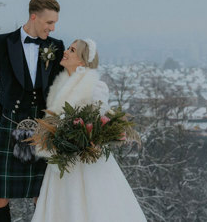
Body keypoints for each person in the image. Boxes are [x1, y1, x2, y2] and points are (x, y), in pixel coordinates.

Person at [31, 39, 147, 222]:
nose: (66, 52)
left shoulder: (94, 87)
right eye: (68, 48)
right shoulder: (59, 86)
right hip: (61, 162)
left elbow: (97, 120)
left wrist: (79, 135)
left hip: (86, 161)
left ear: (82, 61)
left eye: (72, 50)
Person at [0, 0, 65, 222]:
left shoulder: (56, 46)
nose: (53, 27)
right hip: (10, 125)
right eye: (49, 22)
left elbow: (61, 87)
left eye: (55, 23)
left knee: (42, 195)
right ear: (34, 17)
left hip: (42, 128)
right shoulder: (2, 43)